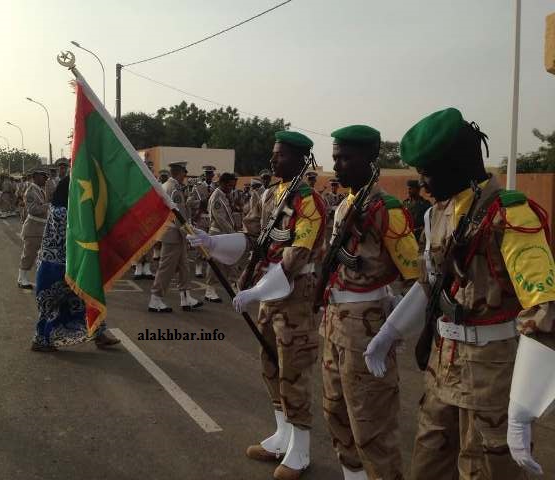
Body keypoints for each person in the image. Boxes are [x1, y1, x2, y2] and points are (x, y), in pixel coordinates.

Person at [364, 108, 555, 479]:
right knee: (427, 465)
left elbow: (544, 309)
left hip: (493, 375)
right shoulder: (438, 214)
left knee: (483, 469)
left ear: (459, 163)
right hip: (443, 367)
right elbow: (430, 284)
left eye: (428, 172)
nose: (424, 182)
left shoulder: (511, 215)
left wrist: (523, 407)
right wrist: (390, 331)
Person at [188, 131, 326, 479]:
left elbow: (297, 255)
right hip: (269, 293)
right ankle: (281, 434)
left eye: (280, 155)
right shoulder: (270, 195)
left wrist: (255, 290)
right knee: (270, 362)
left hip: (294, 296)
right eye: (273, 153)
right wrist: (213, 241)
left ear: (299, 159)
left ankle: (301, 448)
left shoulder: (309, 201)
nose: (273, 160)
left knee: (294, 369)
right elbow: (252, 237)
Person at [315, 125, 419, 480]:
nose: (339, 166)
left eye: (346, 158)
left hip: (367, 330)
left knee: (372, 427)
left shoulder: (387, 209)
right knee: (335, 413)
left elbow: (417, 278)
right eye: (335, 159)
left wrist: (393, 331)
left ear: (369, 160)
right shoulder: (346, 205)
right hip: (334, 323)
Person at [31, 177, 119, 352]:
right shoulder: (61, 212)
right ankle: (40, 340)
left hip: (68, 264)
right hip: (55, 267)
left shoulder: (63, 208)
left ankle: (99, 334)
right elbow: (76, 234)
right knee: (51, 306)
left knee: (88, 298)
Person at [149, 161, 203, 313]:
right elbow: (179, 215)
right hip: (174, 234)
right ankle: (155, 299)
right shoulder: (174, 189)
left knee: (184, 266)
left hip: (175, 234)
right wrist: (189, 235)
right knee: (166, 268)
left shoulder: (167, 186)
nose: (185, 176)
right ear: (179, 172)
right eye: (184, 173)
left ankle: (185, 297)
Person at [203, 172, 238, 303]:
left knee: (231, 260)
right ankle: (210, 290)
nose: (231, 188)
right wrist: (232, 233)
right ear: (222, 183)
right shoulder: (217, 197)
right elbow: (220, 219)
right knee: (215, 264)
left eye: (232, 185)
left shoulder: (224, 195)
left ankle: (234, 286)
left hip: (226, 234)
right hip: (218, 234)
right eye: (229, 185)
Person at [18, 167, 49, 289]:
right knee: (29, 255)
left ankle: (26, 279)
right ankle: (22, 279)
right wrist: (48, 206)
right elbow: (33, 209)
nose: (45, 179)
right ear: (35, 176)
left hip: (41, 228)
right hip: (33, 228)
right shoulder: (30, 191)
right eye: (43, 176)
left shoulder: (40, 190)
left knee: (41, 256)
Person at [187, 165, 215, 278]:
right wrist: (200, 202)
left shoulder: (216, 188)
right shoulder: (197, 188)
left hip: (213, 219)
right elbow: (189, 202)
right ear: (204, 175)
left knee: (211, 243)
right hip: (201, 218)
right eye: (207, 174)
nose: (209, 176)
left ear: (213, 175)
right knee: (200, 242)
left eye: (211, 174)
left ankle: (209, 265)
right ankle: (198, 265)